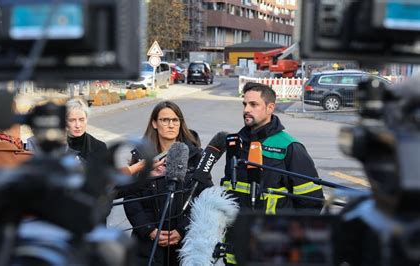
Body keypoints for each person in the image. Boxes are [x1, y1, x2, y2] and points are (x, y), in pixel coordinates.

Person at [221, 82, 325, 265]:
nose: (246, 109)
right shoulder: (235, 144)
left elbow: (311, 203)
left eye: (253, 104)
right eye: (244, 104)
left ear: (270, 108)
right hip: (236, 247)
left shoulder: (289, 147)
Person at [124, 101, 205, 266]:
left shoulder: (196, 156)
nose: (171, 125)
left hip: (184, 243)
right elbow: (130, 198)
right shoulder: (142, 157)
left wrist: (182, 229)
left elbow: (203, 197)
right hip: (147, 244)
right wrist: (149, 231)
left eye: (175, 120)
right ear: (154, 123)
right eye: (165, 120)